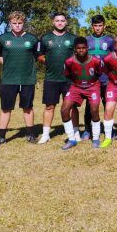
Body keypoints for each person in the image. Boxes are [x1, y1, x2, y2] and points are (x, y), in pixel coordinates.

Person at [0, 11, 39, 145]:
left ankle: (30, 135)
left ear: (24, 23)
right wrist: (9, 65)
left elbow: (37, 56)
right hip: (9, 80)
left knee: (28, 107)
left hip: (27, 79)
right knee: (6, 108)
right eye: (14, 23)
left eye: (20, 23)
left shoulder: (32, 39)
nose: (17, 26)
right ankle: (1, 137)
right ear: (10, 23)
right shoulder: (2, 38)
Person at [37, 13, 77, 144]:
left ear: (66, 22)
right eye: (57, 20)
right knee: (49, 106)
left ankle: (75, 132)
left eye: (62, 20)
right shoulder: (45, 38)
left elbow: (79, 55)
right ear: (53, 22)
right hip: (51, 78)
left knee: (71, 107)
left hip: (69, 79)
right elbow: (39, 55)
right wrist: (47, 60)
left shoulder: (73, 38)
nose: (60, 23)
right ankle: (46, 134)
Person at [61, 37, 104, 150]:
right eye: (78, 48)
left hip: (92, 87)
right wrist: (78, 83)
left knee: (94, 110)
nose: (81, 50)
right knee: (64, 110)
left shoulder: (96, 61)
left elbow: (99, 73)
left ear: (87, 48)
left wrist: (90, 83)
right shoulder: (69, 61)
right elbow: (68, 74)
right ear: (75, 49)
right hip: (76, 86)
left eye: (83, 48)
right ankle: (71, 139)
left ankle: (95, 138)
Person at [84, 14, 113, 139]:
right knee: (90, 105)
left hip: (105, 78)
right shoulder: (86, 40)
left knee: (107, 104)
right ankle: (87, 130)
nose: (97, 28)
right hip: (90, 79)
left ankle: (108, 131)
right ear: (92, 26)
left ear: (104, 26)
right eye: (95, 25)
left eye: (100, 25)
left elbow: (114, 59)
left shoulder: (110, 41)